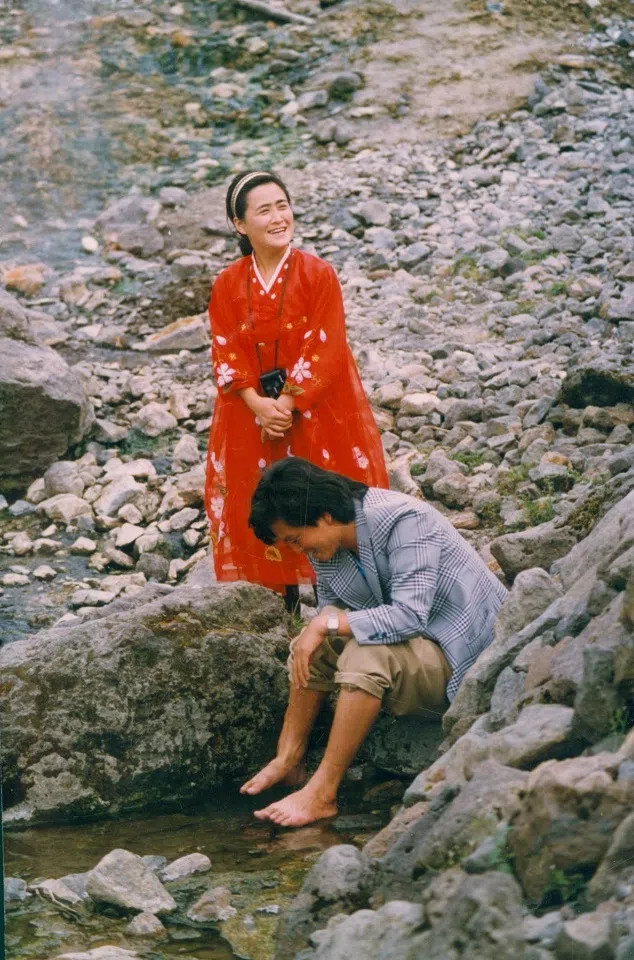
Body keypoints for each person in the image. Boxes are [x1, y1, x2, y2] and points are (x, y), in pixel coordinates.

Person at [241, 457, 508, 827]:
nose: (297, 551)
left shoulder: (404, 520)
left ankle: (323, 793)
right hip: (414, 648)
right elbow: (332, 615)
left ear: (324, 516)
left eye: (295, 540)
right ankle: (289, 758)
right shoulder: (328, 546)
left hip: (465, 663)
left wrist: (326, 623)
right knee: (313, 642)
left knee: (364, 654)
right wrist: (319, 629)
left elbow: (409, 616)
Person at [204, 171, 388, 613]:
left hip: (314, 411)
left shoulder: (317, 274)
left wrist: (284, 404)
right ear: (239, 224)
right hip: (252, 415)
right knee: (262, 505)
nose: (278, 218)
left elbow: (326, 346)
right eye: (264, 211)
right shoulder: (227, 283)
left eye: (282, 206)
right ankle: (278, 611)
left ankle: (340, 606)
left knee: (320, 502)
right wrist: (257, 404)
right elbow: (225, 349)